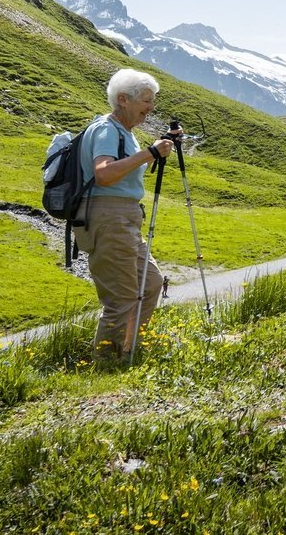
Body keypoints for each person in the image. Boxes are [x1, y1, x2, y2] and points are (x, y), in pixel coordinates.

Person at [74, 68, 179, 362]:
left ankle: (129, 350)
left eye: (152, 101)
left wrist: (155, 148)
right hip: (110, 217)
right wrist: (151, 153)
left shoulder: (123, 133)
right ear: (123, 99)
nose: (151, 107)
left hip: (125, 217)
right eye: (146, 100)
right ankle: (107, 364)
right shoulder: (107, 130)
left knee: (150, 283)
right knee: (121, 298)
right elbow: (104, 174)